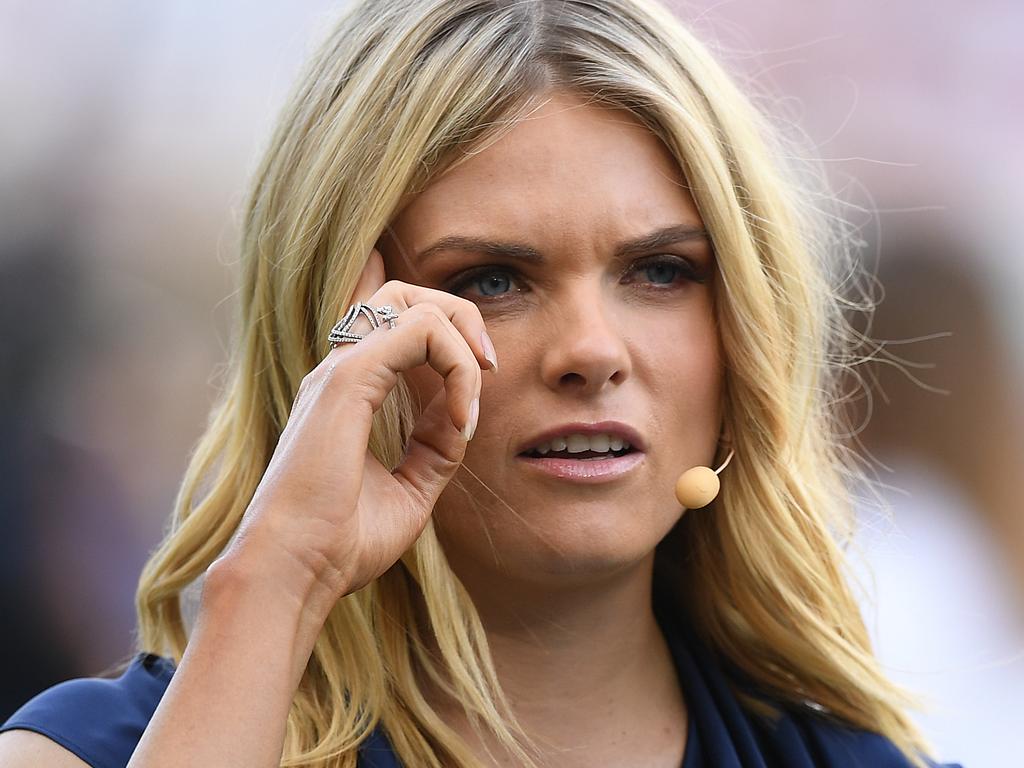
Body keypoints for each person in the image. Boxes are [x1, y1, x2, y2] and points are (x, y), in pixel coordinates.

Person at [0, 0, 965, 766]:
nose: (591, 349)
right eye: (490, 281)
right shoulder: (84, 754)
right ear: (342, 329)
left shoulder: (856, 758)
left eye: (660, 271)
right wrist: (277, 577)